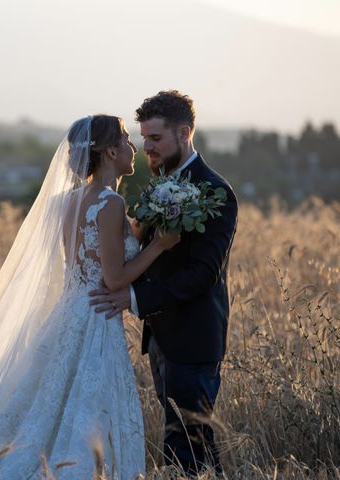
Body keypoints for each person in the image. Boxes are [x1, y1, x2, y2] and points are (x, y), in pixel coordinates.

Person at [0, 115, 178, 479]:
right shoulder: (111, 203)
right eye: (127, 140)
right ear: (111, 151)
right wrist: (159, 247)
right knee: (86, 413)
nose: (134, 148)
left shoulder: (66, 201)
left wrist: (141, 226)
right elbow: (114, 278)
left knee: (45, 407)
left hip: (67, 312)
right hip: (95, 319)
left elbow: (90, 256)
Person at [90, 91, 238, 476]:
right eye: (144, 139)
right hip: (160, 339)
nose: (147, 148)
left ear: (184, 132)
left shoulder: (215, 192)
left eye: (155, 139)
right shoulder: (159, 186)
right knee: (191, 447)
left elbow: (203, 274)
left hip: (192, 340)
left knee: (185, 448)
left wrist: (134, 296)